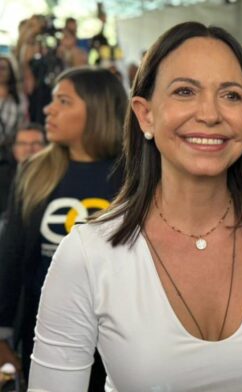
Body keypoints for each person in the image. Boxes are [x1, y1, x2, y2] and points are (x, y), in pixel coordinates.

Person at [24, 22, 242, 391]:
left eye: (231, 95)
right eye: (185, 91)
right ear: (145, 114)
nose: (210, 113)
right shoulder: (88, 254)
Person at [0, 67, 125, 386]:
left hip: (120, 339)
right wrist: (2, 334)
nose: (48, 109)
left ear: (97, 110)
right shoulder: (36, 172)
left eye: (64, 101)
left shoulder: (136, 176)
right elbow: (10, 257)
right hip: (45, 334)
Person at [0, 123, 46, 217]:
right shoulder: (2, 175)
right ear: (14, 149)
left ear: (46, 147)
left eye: (36, 143)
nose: (29, 149)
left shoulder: (59, 176)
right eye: (22, 144)